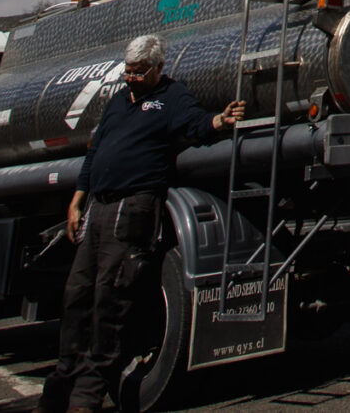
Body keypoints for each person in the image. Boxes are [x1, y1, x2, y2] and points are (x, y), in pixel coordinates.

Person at [42, 34, 245, 413]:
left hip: (132, 208)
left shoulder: (172, 98)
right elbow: (95, 151)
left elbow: (197, 124)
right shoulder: (118, 102)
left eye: (138, 72)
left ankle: (86, 398)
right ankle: (57, 391)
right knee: (76, 298)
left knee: (110, 300)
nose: (130, 78)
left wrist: (220, 120)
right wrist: (77, 199)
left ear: (158, 68)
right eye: (127, 71)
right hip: (97, 209)